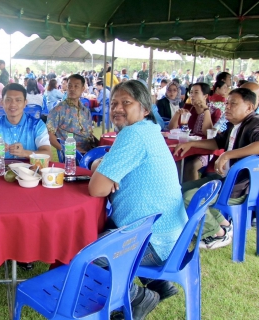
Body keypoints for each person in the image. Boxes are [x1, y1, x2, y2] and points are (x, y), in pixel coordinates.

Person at [89, 80, 187, 320]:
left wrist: (99, 170)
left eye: (126, 102)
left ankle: (137, 296)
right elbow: (103, 171)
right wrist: (99, 166)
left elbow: (96, 189)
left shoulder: (133, 135)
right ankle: (159, 284)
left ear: (145, 108)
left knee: (85, 252)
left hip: (154, 241)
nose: (117, 108)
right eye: (113, 103)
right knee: (105, 230)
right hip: (172, 234)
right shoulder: (148, 130)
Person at [175, 87, 259, 249]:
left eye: (233, 104)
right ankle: (224, 224)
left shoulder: (254, 123)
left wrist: (228, 155)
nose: (227, 107)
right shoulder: (234, 125)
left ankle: (216, 234)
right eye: (227, 103)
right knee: (178, 190)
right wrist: (192, 143)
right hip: (225, 179)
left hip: (238, 186)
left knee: (190, 197)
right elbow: (217, 142)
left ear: (249, 107)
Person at [0, 83, 51, 159]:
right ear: (2, 103)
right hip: (2, 169)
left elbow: (48, 155)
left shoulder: (37, 125)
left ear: (25, 103)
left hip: (30, 170)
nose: (13, 104)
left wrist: (24, 153)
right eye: (8, 100)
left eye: (18, 100)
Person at [47, 74, 94, 154]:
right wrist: (68, 150)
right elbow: (49, 135)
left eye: (76, 86)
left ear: (83, 89)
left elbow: (90, 134)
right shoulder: (58, 110)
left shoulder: (85, 110)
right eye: (70, 86)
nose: (72, 89)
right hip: (71, 155)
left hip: (89, 152)